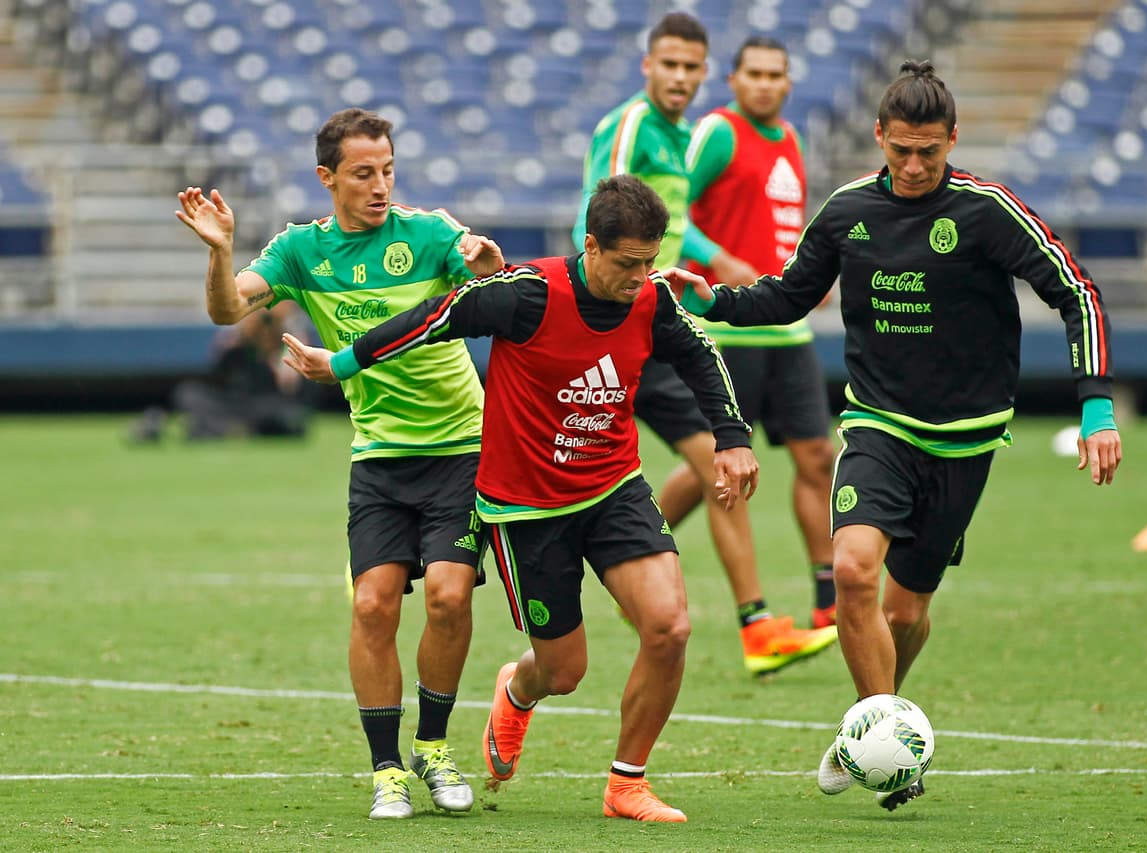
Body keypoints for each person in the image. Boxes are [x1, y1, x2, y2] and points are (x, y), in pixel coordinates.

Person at [669, 60, 1123, 811]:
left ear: (952, 140)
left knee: (906, 613)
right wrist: (717, 301)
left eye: (929, 152)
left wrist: (1096, 407)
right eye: (900, 149)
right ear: (879, 136)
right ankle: (882, 734)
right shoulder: (848, 211)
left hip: (965, 442)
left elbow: (1076, 291)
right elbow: (788, 295)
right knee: (852, 571)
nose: (913, 166)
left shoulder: (986, 210)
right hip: (878, 425)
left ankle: (873, 726)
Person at [281, 174, 759, 823]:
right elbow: (432, 319)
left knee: (670, 625)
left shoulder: (652, 299)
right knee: (564, 670)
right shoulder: (525, 293)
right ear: (590, 245)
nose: (640, 276)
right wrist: (339, 363)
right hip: (526, 511)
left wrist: (730, 438)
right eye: (627, 263)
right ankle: (519, 686)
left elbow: (700, 355)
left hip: (614, 487)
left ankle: (626, 783)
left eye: (649, 262)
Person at [175, 107, 506, 820]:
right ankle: (387, 768)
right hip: (380, 458)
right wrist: (220, 250)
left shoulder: (429, 231)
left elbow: (489, 282)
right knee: (371, 605)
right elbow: (228, 310)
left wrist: (486, 265)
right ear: (328, 178)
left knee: (450, 596)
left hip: (461, 448)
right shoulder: (301, 251)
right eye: (363, 173)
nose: (380, 185)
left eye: (387, 170)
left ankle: (435, 747)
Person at [572, 12, 836, 675]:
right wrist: (594, 302)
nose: (682, 78)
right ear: (648, 66)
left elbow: (678, 227)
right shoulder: (637, 127)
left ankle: (747, 620)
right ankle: (749, 621)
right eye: (671, 65)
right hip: (620, 324)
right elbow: (595, 214)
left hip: (655, 320)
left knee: (719, 462)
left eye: (692, 67)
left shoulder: (683, 133)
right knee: (713, 464)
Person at [667, 35, 840, 630]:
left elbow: (786, 230)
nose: (766, 83)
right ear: (733, 80)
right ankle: (629, 546)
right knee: (714, 468)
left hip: (786, 330)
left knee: (818, 456)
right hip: (728, 328)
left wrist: (814, 276)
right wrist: (720, 258)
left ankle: (828, 598)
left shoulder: (790, 139)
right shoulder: (717, 132)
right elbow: (668, 210)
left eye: (776, 74)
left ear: (789, 83)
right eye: (755, 74)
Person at [129, 306, 311, 442]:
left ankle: (220, 430)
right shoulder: (238, 343)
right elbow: (218, 376)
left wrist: (276, 359)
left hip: (266, 405)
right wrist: (237, 341)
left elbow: (291, 389)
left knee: (285, 415)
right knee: (189, 393)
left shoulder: (286, 346)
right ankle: (225, 429)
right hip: (235, 405)